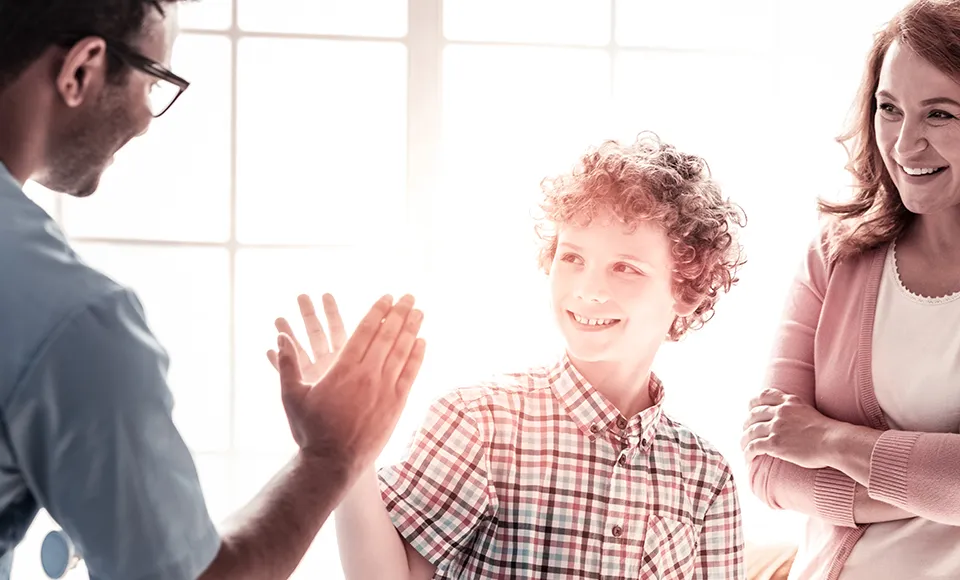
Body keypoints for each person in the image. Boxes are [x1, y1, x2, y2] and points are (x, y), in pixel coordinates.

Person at [0, 1, 426, 578]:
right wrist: (332, 455)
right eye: (153, 83)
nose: (149, 119)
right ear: (82, 69)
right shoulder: (75, 320)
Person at [278, 134, 749, 578]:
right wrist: (348, 452)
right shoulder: (480, 421)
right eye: (572, 258)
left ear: (687, 290)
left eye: (624, 268)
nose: (588, 289)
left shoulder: (706, 475)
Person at [741, 1, 960, 578]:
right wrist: (930, 488)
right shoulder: (836, 255)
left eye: (939, 114)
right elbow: (768, 464)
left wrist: (829, 440)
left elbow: (800, 441)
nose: (905, 143)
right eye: (889, 108)